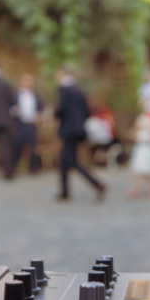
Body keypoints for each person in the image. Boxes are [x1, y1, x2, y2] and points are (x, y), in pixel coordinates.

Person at [54, 67, 105, 200]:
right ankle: (65, 192)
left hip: (68, 130)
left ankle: (96, 183)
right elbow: (87, 111)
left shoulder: (63, 90)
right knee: (64, 161)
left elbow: (61, 109)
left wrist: (54, 115)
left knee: (71, 161)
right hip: (79, 130)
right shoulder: (79, 91)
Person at [11, 74, 44, 174]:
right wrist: (14, 111)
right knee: (17, 145)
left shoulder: (36, 95)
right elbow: (10, 109)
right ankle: (14, 167)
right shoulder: (16, 95)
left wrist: (39, 116)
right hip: (20, 124)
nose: (27, 83)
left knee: (32, 146)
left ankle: (33, 168)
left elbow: (41, 109)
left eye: (29, 81)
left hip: (32, 124)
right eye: (25, 81)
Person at [127, 111, 150, 198]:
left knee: (141, 173)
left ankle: (142, 189)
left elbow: (136, 137)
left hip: (144, 154)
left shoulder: (146, 132)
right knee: (148, 173)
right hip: (147, 153)